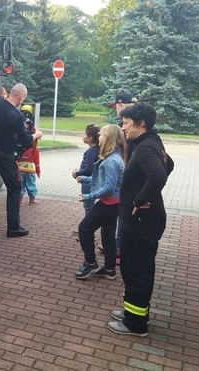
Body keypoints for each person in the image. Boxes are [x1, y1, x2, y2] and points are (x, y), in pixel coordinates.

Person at [107, 102, 174, 337]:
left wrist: (139, 199)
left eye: (126, 123)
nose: (123, 128)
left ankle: (136, 325)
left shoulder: (145, 147)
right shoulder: (151, 142)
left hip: (141, 222)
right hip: (144, 221)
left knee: (137, 271)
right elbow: (169, 165)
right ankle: (132, 313)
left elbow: (157, 176)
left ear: (141, 123)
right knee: (133, 268)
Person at [0, 83, 43, 238]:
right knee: (14, 188)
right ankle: (13, 227)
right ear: (21, 96)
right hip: (5, 155)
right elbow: (25, 140)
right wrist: (36, 135)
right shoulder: (15, 115)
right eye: (23, 99)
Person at [74, 124, 127, 280]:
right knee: (108, 235)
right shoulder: (113, 157)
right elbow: (105, 180)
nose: (99, 136)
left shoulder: (111, 161)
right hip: (114, 203)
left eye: (102, 134)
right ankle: (109, 268)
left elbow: (109, 187)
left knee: (84, 228)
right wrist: (85, 179)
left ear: (109, 138)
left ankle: (90, 263)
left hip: (109, 203)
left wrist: (90, 196)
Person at [99, 92, 138, 262]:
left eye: (116, 106)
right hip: (127, 174)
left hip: (127, 177)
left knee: (123, 213)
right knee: (121, 212)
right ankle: (116, 244)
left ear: (121, 106)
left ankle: (119, 248)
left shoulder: (129, 128)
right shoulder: (134, 125)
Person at [72, 124, 100, 215]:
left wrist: (76, 173)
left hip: (87, 182)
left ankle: (87, 227)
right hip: (92, 180)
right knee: (89, 204)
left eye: (84, 134)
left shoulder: (91, 152)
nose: (83, 136)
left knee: (88, 205)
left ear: (90, 137)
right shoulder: (97, 149)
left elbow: (88, 169)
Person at [18, 105, 41, 206]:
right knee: (31, 183)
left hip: (20, 164)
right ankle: (32, 199)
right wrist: (38, 170)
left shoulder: (19, 126)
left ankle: (19, 200)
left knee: (21, 183)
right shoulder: (32, 129)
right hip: (30, 166)